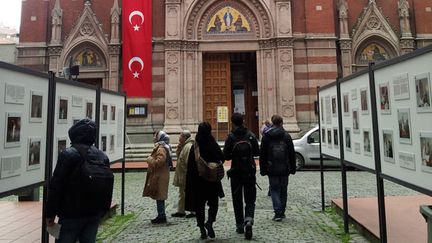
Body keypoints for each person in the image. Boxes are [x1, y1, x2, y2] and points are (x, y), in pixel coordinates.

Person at [46, 119, 113, 243]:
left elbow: (56, 186)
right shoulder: (102, 156)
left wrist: (50, 214)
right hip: (94, 213)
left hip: (71, 214)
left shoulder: (68, 154)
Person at [185, 122, 224, 239]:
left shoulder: (195, 146)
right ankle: (210, 221)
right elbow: (222, 157)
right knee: (214, 203)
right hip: (212, 180)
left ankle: (202, 228)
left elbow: (191, 166)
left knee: (199, 205)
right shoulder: (212, 143)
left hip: (198, 181)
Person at [223, 113, 259, 240]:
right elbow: (257, 151)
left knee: (237, 199)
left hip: (236, 173)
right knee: (250, 198)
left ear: (232, 122)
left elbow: (226, 156)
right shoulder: (250, 135)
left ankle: (239, 225)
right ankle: (248, 220)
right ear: (243, 121)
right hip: (249, 171)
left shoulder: (231, 137)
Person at [259, 114, 296, 221]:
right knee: (283, 190)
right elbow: (291, 154)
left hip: (272, 168)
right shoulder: (286, 136)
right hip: (285, 168)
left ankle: (278, 212)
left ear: (272, 122)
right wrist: (293, 168)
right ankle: (282, 212)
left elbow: (263, 155)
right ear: (281, 123)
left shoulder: (266, 136)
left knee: (274, 189)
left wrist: (263, 169)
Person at [143, 131, 173, 224]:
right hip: (161, 175)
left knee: (159, 196)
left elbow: (159, 162)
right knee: (159, 196)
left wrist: (149, 159)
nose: (154, 138)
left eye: (155, 136)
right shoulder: (163, 147)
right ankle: (161, 215)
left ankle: (161, 216)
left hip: (160, 175)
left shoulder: (161, 148)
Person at [172, 130, 195, 218]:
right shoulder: (184, 146)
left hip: (186, 174)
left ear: (185, 137)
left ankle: (193, 211)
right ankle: (181, 210)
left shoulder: (188, 147)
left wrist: (187, 174)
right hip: (182, 174)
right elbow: (179, 158)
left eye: (180, 136)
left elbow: (188, 162)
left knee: (189, 192)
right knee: (182, 193)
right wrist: (179, 149)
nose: (179, 138)